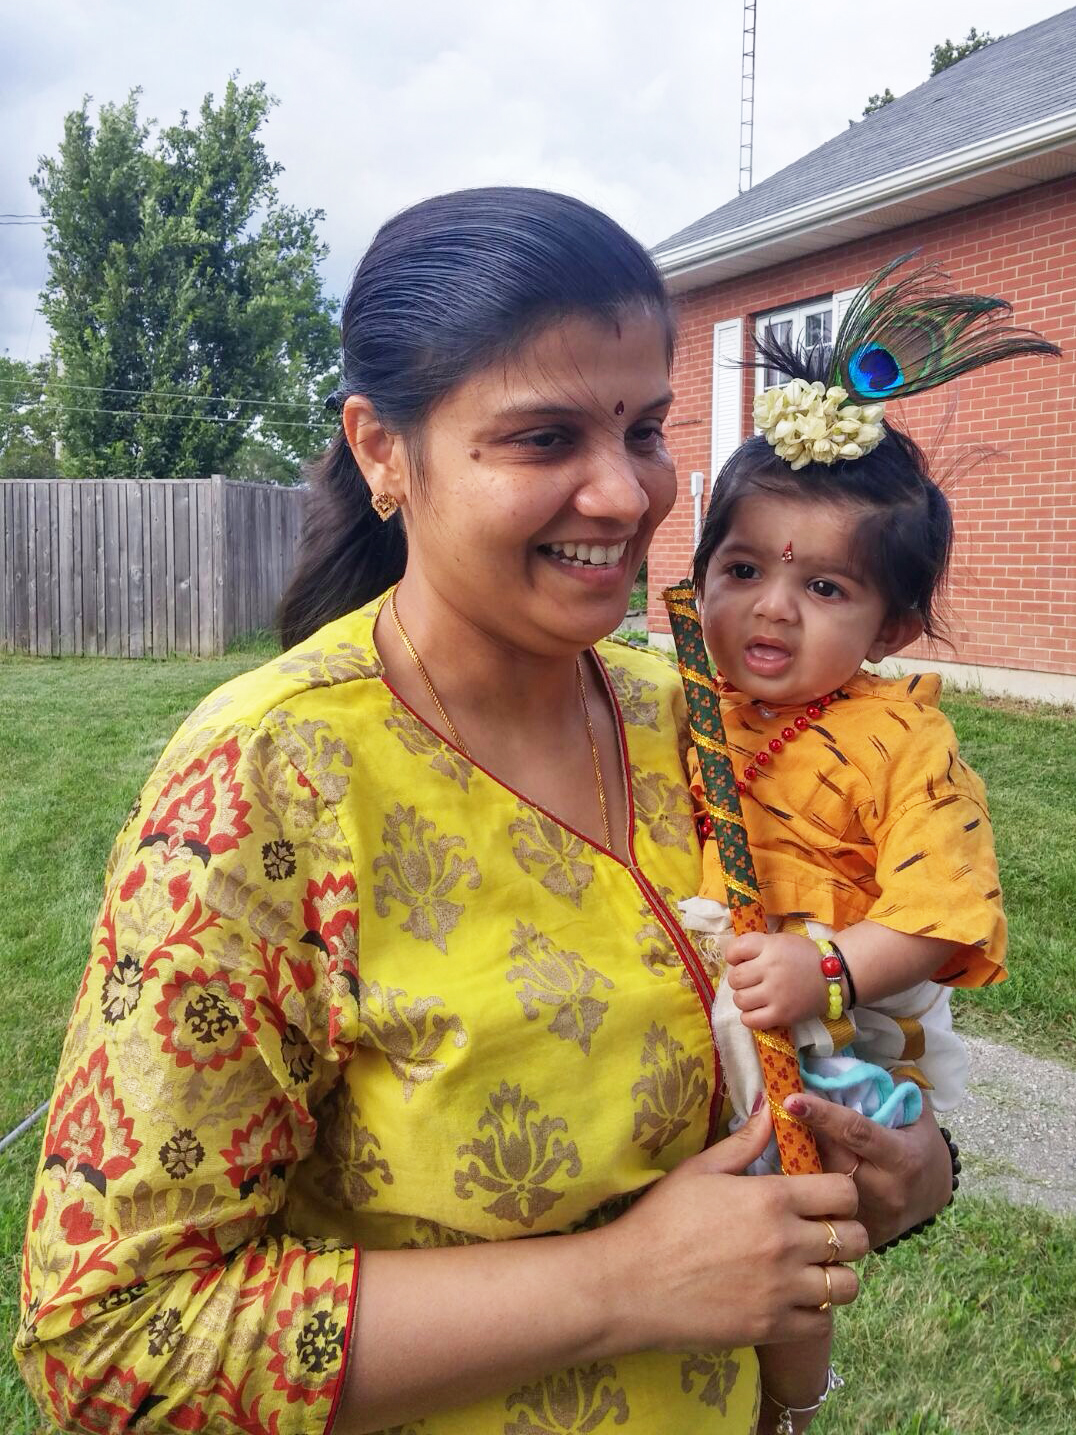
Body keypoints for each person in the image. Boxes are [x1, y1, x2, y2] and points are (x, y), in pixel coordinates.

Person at [18, 191, 956, 1435]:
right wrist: (618, 1286)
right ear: (380, 451)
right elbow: (110, 1343)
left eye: (644, 426)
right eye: (541, 437)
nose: (624, 494)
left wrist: (906, 1172)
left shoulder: (694, 722)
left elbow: (821, 1043)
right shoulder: (264, 782)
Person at [679, 258, 1057, 1152]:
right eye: (742, 570)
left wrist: (827, 970)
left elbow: (941, 915)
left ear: (891, 625)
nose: (772, 606)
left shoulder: (902, 736)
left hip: (843, 1022)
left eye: (823, 585)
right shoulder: (683, 704)